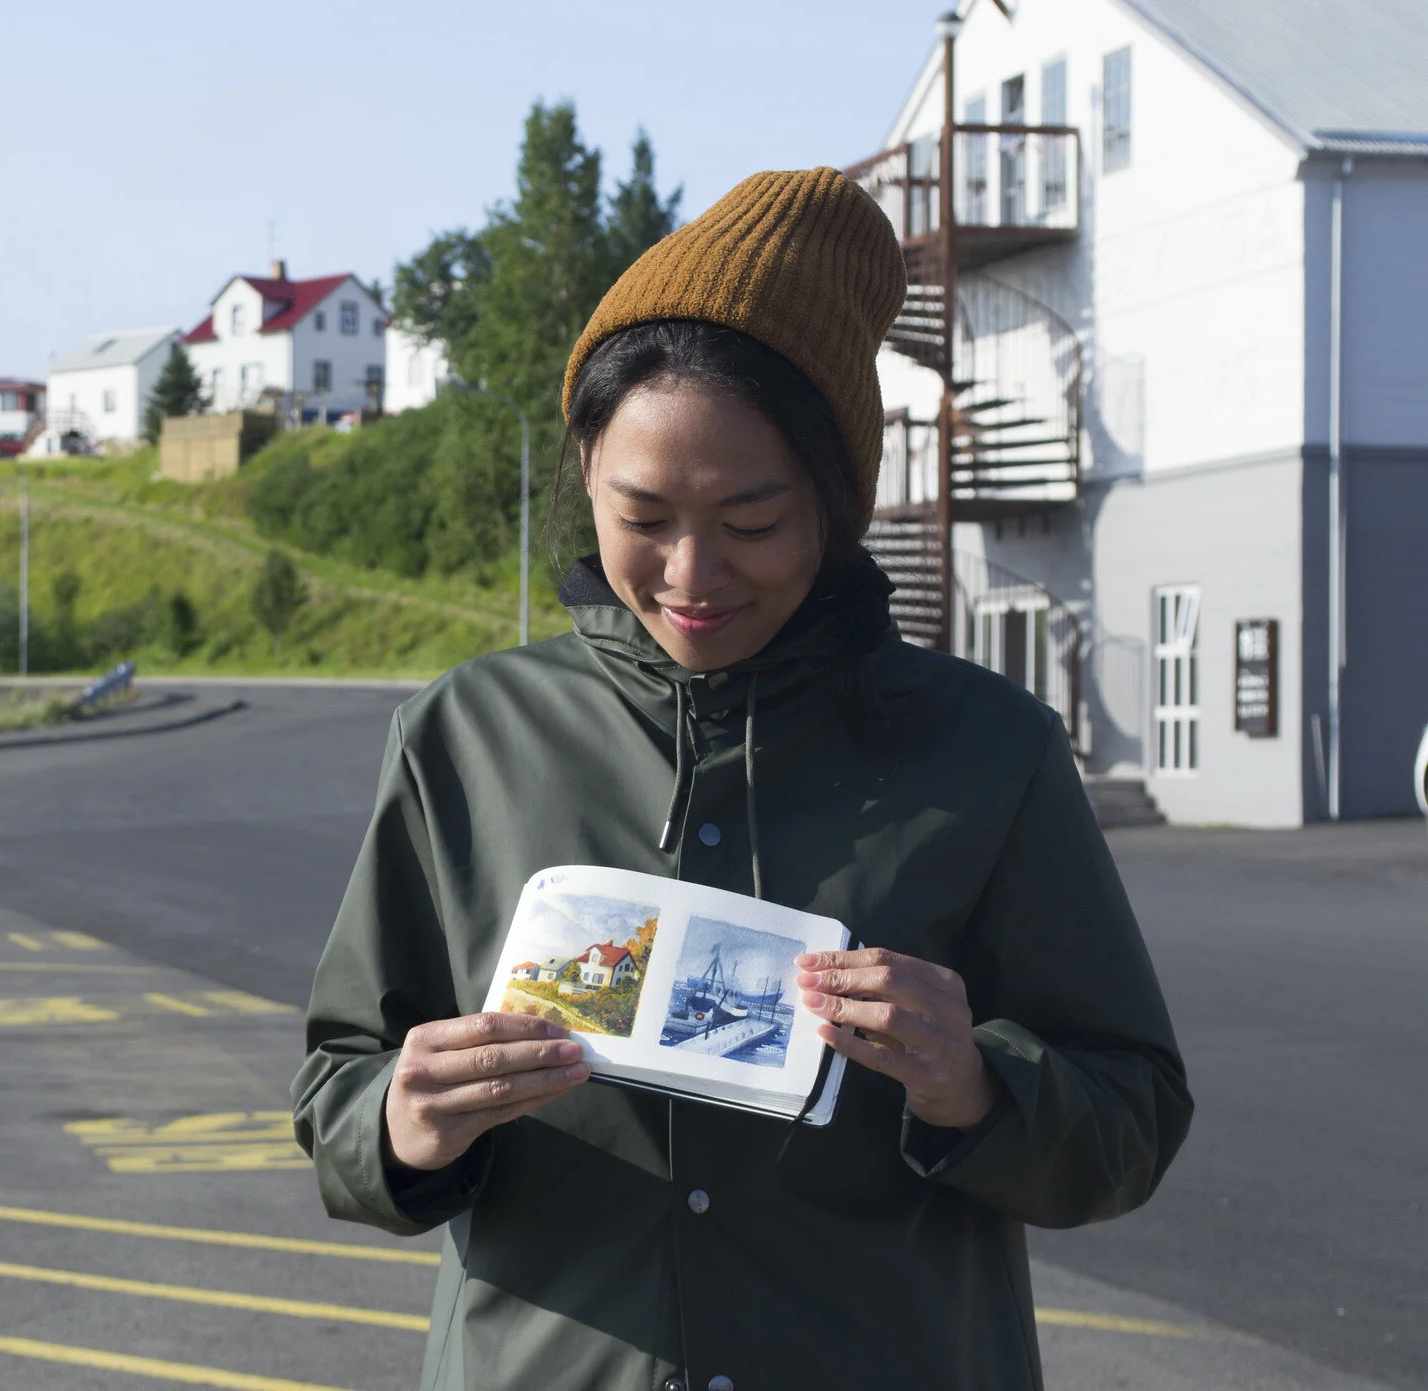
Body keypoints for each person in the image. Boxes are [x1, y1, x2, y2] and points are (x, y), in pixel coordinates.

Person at [292, 167, 1191, 1390]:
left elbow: (1131, 1114)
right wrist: (401, 1121)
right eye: (642, 514)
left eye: (752, 521)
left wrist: (977, 1082)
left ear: (837, 500)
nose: (690, 573)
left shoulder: (988, 750)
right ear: (585, 472)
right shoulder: (463, 734)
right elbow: (339, 1080)